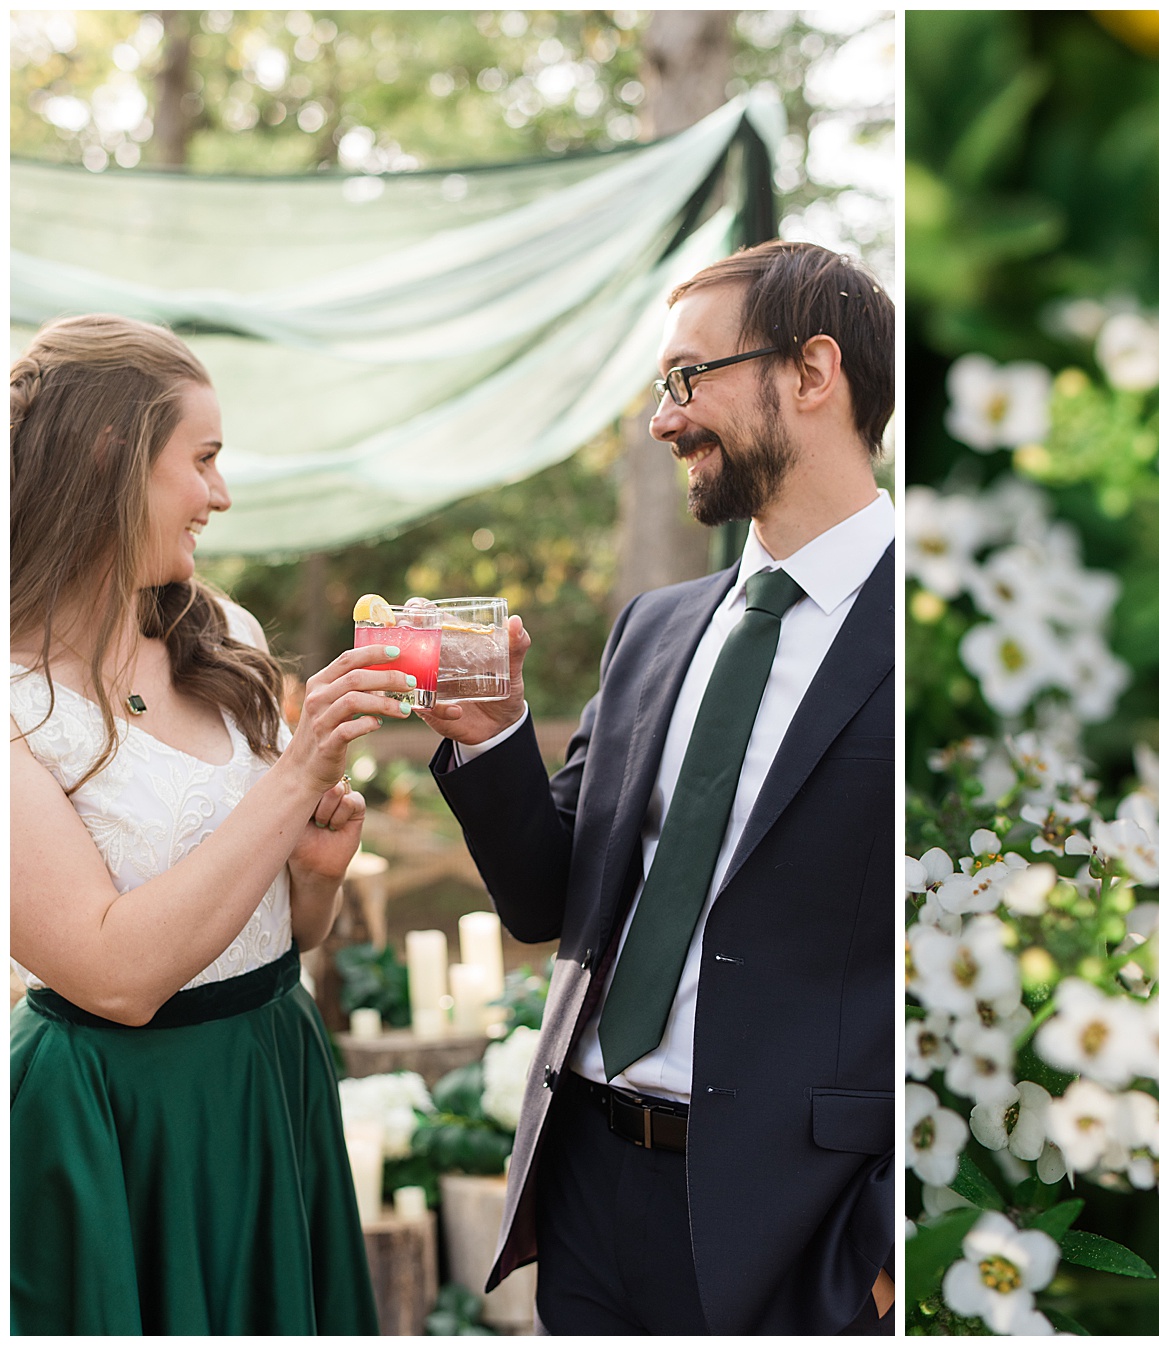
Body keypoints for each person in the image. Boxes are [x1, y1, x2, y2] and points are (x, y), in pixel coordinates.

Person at [419, 240, 894, 1334]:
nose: (664, 418)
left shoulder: (928, 635)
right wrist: (495, 741)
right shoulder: (655, 628)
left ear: (813, 372)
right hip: (587, 1186)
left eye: (690, 378)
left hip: (800, 1233)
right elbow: (552, 904)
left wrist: (880, 1251)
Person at [9, 315, 408, 1334]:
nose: (222, 495)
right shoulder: (12, 699)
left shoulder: (222, 635)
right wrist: (297, 773)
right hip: (117, 1125)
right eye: (204, 459)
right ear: (110, 458)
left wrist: (313, 873)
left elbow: (283, 929)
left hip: (272, 1070)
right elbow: (115, 973)